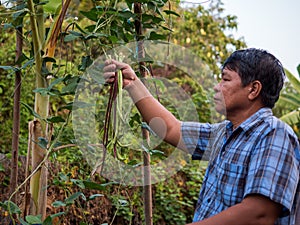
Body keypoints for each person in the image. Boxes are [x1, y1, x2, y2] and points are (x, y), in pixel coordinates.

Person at [103, 48, 300, 225]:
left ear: (253, 89)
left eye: (225, 79)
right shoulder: (224, 132)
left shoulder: (275, 134)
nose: (217, 87)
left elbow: (259, 213)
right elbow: (171, 129)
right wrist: (132, 83)